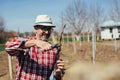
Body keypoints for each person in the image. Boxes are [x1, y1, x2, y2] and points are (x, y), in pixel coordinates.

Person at [5, 14, 65, 80]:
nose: (47, 32)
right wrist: (35, 42)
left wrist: (57, 74)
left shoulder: (54, 50)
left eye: (49, 29)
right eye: (44, 28)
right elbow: (8, 48)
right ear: (35, 29)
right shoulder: (27, 44)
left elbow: (55, 77)